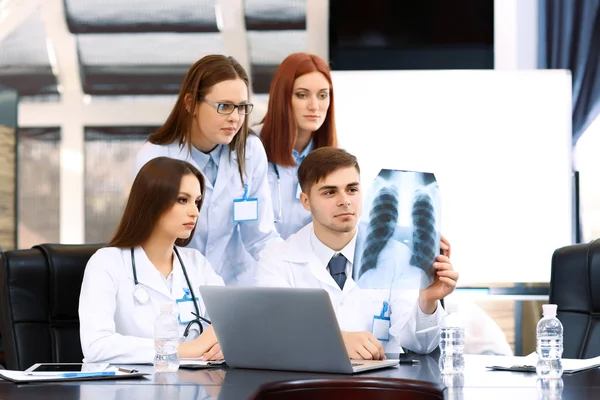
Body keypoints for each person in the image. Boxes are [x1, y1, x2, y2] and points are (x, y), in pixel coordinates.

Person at [256, 147, 459, 359]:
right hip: (305, 385)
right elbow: (271, 333)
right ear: (306, 201)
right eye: (330, 192)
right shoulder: (277, 258)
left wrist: (427, 300)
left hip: (378, 385)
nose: (345, 201)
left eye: (352, 190)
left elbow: (421, 345)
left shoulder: (396, 255)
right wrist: (337, 340)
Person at [134, 55, 280, 286]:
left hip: (235, 285)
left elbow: (260, 236)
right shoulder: (156, 157)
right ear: (191, 103)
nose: (235, 118)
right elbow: (147, 238)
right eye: (224, 106)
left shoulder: (249, 150)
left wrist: (289, 278)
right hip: (175, 286)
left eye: (242, 107)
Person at [80, 157, 225, 364]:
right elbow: (96, 346)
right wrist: (188, 349)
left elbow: (230, 322)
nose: (194, 211)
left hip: (195, 387)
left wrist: (222, 344)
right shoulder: (106, 263)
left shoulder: (196, 263)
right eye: (183, 200)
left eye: (197, 201)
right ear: (152, 201)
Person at [253, 53, 337, 239]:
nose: (314, 106)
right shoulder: (249, 147)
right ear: (282, 97)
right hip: (254, 264)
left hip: (308, 263)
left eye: (323, 95)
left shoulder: (336, 160)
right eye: (302, 95)